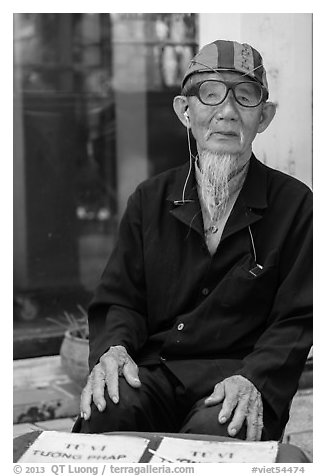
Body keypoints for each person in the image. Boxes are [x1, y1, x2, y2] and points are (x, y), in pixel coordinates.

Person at [72, 39, 312, 441]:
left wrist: (255, 378)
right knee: (107, 411)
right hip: (155, 371)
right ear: (185, 111)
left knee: (218, 429)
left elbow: (297, 318)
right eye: (210, 94)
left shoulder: (295, 205)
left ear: (264, 117)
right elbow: (121, 300)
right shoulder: (150, 200)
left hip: (237, 378)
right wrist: (113, 350)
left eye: (246, 97)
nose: (227, 112)